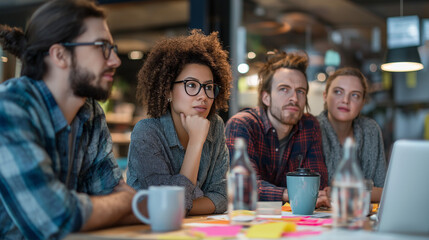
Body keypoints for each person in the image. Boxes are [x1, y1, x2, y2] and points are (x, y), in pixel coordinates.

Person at [0, 1, 141, 239]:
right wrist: (128, 201)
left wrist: (122, 203)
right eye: (102, 47)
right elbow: (54, 219)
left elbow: (113, 199)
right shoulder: (11, 108)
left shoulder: (91, 113)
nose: (115, 61)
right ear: (60, 55)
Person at [127, 30, 232, 215]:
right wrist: (196, 142)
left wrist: (182, 207)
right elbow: (168, 207)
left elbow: (222, 197)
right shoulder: (147, 132)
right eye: (191, 85)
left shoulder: (214, 125)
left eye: (208, 87)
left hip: (197, 229)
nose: (203, 96)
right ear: (168, 91)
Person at [225, 50, 330, 207]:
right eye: (284, 89)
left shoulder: (309, 125)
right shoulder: (243, 125)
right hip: (249, 220)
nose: (294, 98)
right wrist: (292, 194)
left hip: (296, 221)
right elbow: (244, 186)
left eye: (300, 91)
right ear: (266, 97)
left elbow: (317, 187)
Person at [317, 67, 387, 202]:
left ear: (362, 103)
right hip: (319, 217)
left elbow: (384, 191)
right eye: (338, 92)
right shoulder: (311, 128)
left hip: (364, 216)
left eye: (355, 95)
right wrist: (363, 190)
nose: (345, 100)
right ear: (325, 96)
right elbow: (314, 190)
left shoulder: (370, 130)